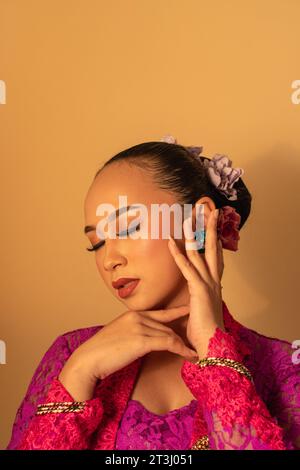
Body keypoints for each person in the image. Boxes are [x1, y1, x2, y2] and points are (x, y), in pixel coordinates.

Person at [6, 135, 300, 450]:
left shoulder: (284, 367)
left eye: (129, 228)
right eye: (97, 243)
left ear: (199, 221)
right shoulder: (72, 354)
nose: (109, 260)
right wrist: (79, 374)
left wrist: (216, 351)